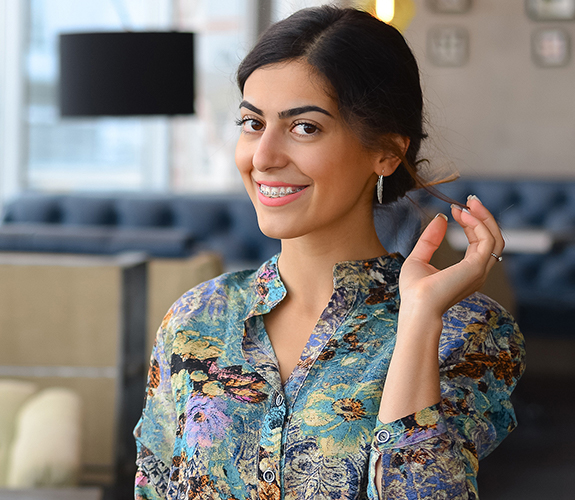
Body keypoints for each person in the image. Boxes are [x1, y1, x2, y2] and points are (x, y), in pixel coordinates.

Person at [134, 6, 525, 500]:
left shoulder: (467, 331)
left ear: (386, 151)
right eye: (252, 123)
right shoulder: (196, 318)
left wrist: (419, 320)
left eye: (305, 128)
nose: (264, 157)